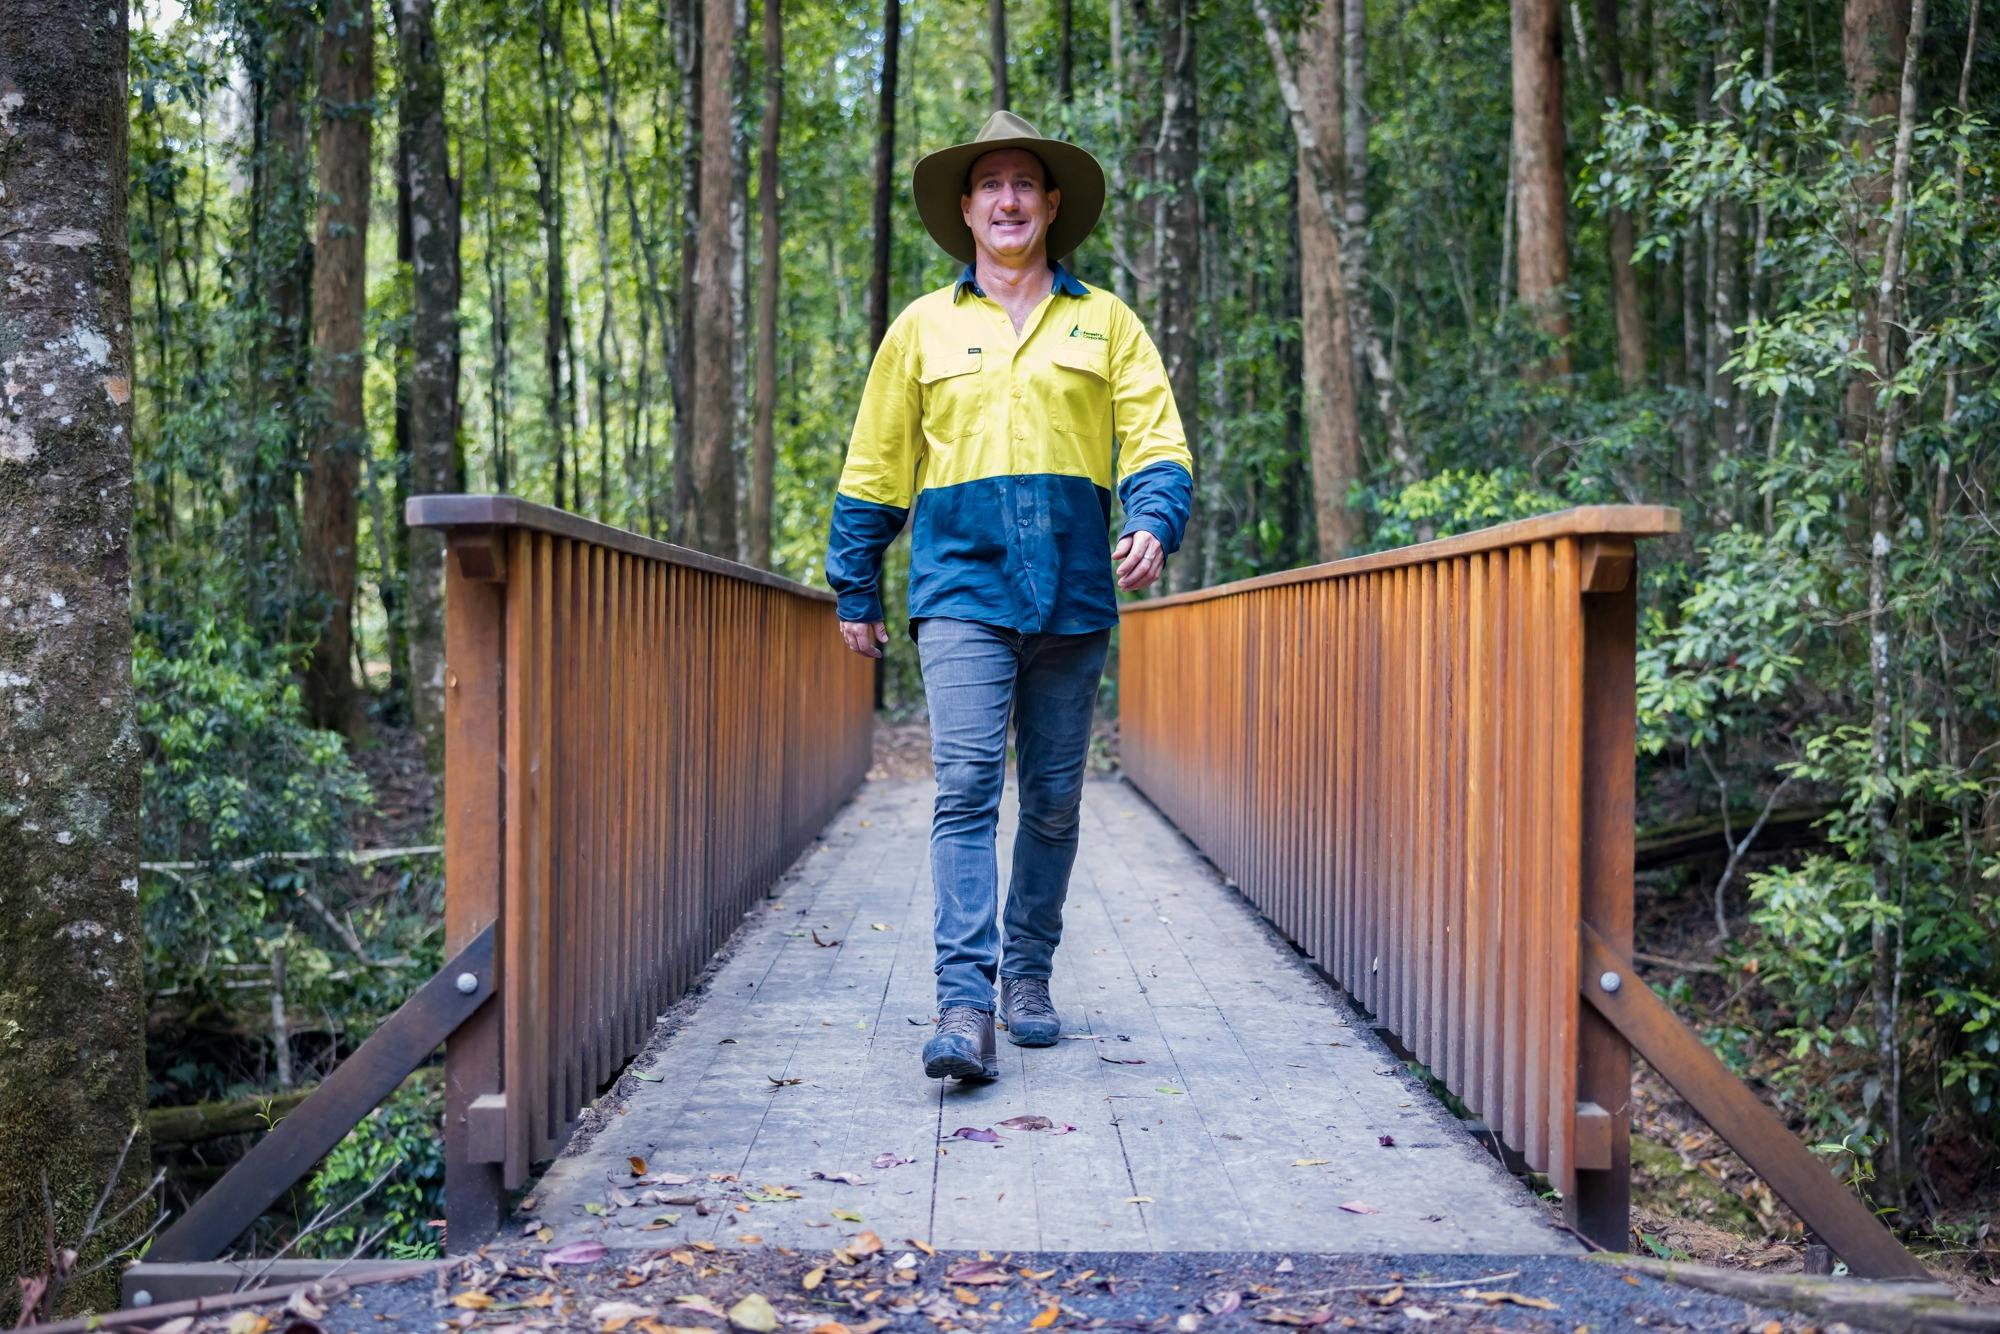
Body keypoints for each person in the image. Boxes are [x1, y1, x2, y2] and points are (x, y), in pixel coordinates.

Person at [825, 110, 1194, 1082]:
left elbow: (1154, 436)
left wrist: (1153, 515)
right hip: (959, 589)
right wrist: (852, 580)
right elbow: (875, 462)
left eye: (1023, 183)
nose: (1007, 199)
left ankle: (1025, 977)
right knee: (965, 787)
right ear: (964, 208)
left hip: (1074, 589)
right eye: (989, 183)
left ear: (1051, 204)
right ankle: (962, 1004)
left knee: (1056, 801)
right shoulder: (922, 327)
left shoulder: (1103, 320)